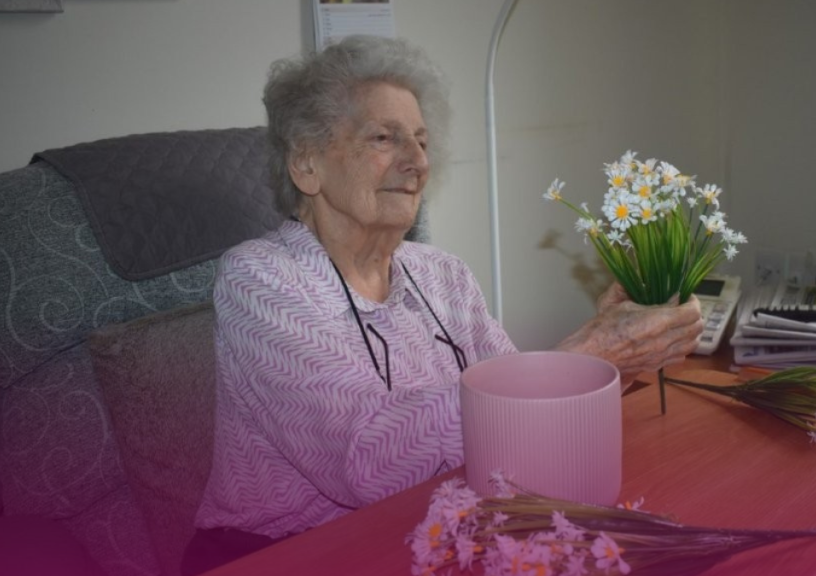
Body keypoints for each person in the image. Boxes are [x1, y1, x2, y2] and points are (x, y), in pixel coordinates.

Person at [183, 35, 702, 575]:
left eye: (423, 142)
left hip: (430, 527)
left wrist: (625, 352)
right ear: (307, 165)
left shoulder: (443, 274)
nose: (416, 162)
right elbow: (364, 465)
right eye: (385, 137)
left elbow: (519, 432)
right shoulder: (261, 279)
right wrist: (580, 358)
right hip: (284, 552)